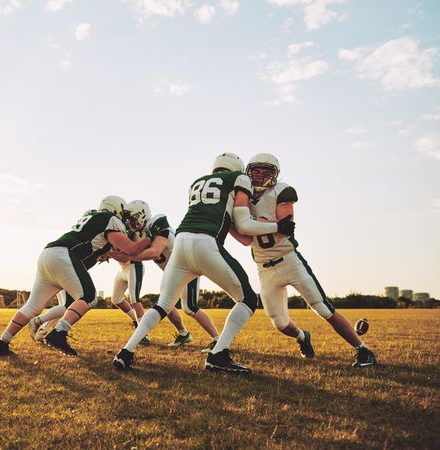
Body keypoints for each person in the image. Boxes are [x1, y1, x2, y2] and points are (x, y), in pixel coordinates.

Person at [113, 153, 295, 373]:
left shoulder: (197, 183)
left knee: (163, 304)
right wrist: (277, 226)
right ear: (237, 168)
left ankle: (126, 351)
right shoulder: (239, 179)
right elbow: (244, 224)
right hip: (206, 242)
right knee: (247, 299)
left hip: (180, 243)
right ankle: (219, 353)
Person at [238, 153, 376, 368]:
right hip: (264, 268)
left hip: (289, 260)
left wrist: (252, 221)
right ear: (248, 172)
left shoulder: (281, 190)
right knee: (280, 323)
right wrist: (239, 224)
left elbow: (284, 228)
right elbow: (246, 238)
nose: (260, 175)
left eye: (266, 170)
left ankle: (363, 350)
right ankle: (303, 336)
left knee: (322, 308)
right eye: (256, 170)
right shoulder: (242, 198)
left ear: (274, 174)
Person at [0, 196, 149, 357]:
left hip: (48, 254)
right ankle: (59, 333)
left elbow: (103, 246)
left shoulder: (92, 217)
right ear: (117, 210)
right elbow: (130, 249)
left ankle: (2, 342)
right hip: (64, 256)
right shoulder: (110, 219)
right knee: (88, 297)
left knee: (33, 306)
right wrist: (151, 238)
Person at [110, 200, 222, 349]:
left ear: (142, 214)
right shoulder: (139, 234)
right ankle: (183, 334)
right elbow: (130, 248)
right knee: (164, 304)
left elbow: (155, 251)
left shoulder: (157, 222)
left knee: (190, 307)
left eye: (133, 218)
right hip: (173, 273)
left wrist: (130, 257)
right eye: (129, 219)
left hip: (188, 267)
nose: (131, 223)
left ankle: (218, 340)